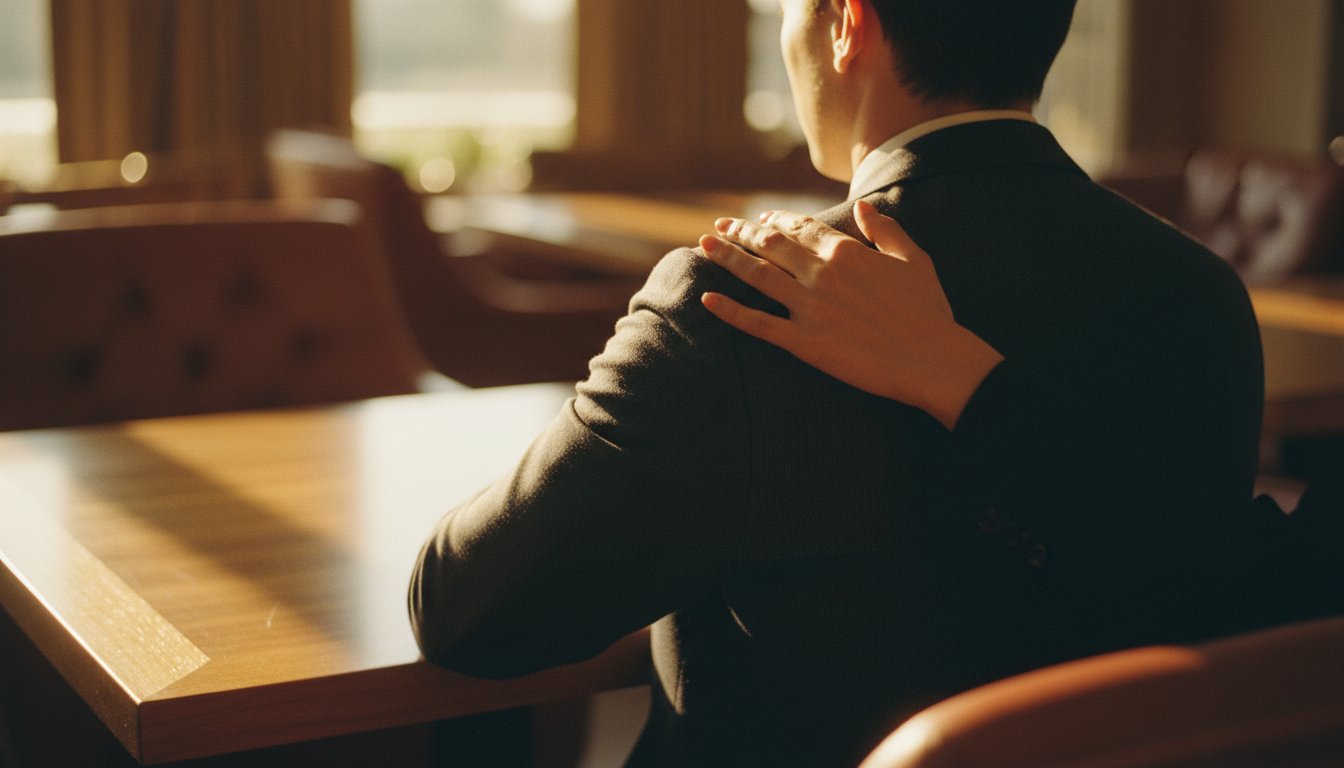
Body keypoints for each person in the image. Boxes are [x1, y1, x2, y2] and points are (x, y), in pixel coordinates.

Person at [410, 1, 1266, 765]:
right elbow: (1198, 587)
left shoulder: (743, 302)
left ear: (848, 23)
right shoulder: (1203, 295)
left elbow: (468, 608)